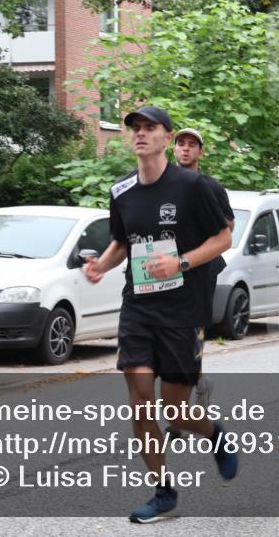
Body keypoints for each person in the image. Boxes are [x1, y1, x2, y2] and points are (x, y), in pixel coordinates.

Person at [83, 106, 236, 523]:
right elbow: (122, 242)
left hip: (183, 308)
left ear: (167, 138)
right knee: (139, 404)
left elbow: (223, 237)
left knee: (175, 410)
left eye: (150, 128)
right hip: (139, 305)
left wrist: (181, 263)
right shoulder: (121, 191)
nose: (140, 134)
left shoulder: (192, 186)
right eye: (135, 128)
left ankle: (215, 435)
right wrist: (102, 264)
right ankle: (163, 490)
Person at [173, 127, 236, 408]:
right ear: (172, 149)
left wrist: (199, 246)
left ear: (200, 151)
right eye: (181, 144)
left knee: (190, 330)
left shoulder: (210, 187)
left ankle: (188, 395)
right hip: (164, 269)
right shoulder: (159, 184)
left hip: (200, 269)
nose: (185, 149)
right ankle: (195, 381)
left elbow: (228, 227)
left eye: (192, 145)